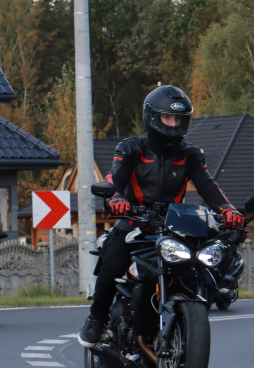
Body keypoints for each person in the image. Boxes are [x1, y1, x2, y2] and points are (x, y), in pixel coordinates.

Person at [78, 85, 244, 348]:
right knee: (114, 258)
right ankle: (96, 319)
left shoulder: (190, 155)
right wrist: (117, 199)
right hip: (134, 222)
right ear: (152, 118)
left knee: (200, 262)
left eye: (179, 119)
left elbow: (209, 186)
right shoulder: (131, 149)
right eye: (168, 118)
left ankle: (182, 318)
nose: (174, 124)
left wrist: (228, 210)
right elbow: (115, 178)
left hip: (172, 227)